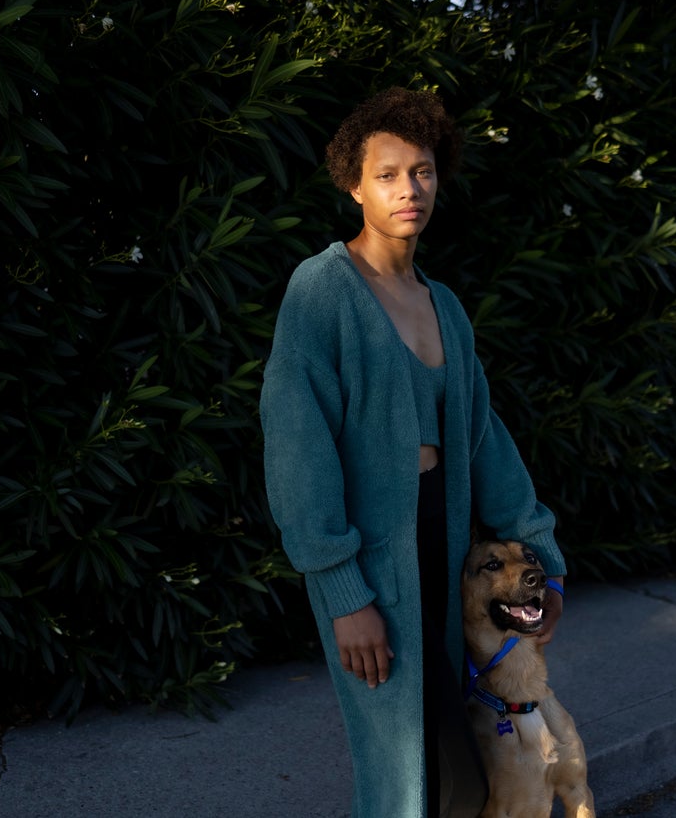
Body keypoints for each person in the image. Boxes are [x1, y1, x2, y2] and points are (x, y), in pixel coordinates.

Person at [259, 86, 567, 818]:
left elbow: (486, 444)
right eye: (389, 173)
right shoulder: (322, 290)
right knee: (400, 769)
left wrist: (542, 560)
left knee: (462, 759)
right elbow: (297, 447)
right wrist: (344, 593)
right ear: (354, 184)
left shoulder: (445, 307)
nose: (409, 189)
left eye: (422, 171)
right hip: (371, 555)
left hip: (449, 546)